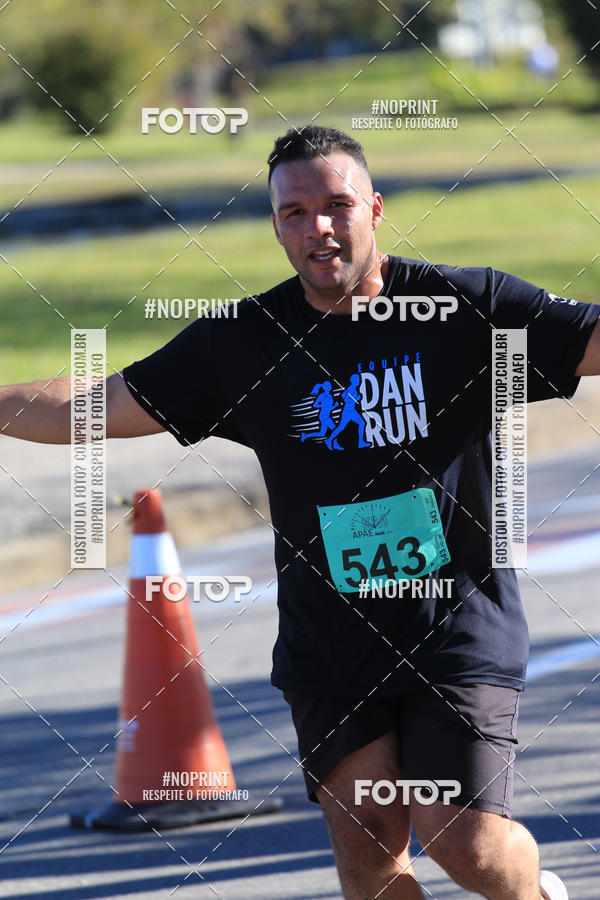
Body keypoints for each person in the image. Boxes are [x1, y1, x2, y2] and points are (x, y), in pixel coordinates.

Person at [2, 125, 598, 899]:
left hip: (454, 626)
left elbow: (589, 338)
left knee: (464, 841)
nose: (318, 225)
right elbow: (94, 403)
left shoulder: (464, 308)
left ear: (375, 210)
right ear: (277, 225)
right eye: (295, 212)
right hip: (330, 643)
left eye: (336, 205)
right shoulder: (245, 344)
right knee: (367, 862)